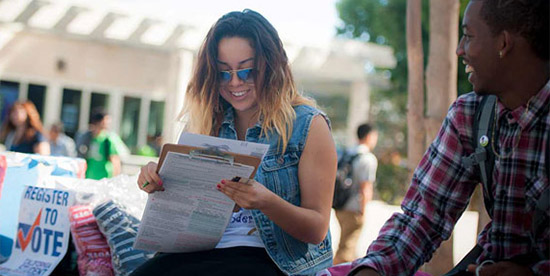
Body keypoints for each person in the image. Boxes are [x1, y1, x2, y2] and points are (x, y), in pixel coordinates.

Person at [133, 9, 337, 276]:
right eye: (223, 72)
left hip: (275, 262)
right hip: (201, 254)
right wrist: (160, 182)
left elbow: (317, 229)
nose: (235, 82)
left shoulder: (307, 125)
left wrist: (265, 202)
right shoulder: (207, 121)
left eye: (247, 70)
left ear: (271, 66)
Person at [352, 0, 549, 275]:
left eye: (468, 36)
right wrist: (373, 270)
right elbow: (422, 218)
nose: (459, 50)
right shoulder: (469, 116)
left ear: (503, 44)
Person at [334, 123, 378, 265]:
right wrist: (364, 211)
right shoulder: (368, 158)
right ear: (369, 136)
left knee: (348, 247)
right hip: (354, 209)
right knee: (346, 250)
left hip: (339, 205)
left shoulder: (347, 153)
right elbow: (366, 187)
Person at [77, 108, 123, 180]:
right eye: (106, 120)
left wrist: (115, 179)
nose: (108, 123)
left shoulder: (109, 139)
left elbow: (115, 160)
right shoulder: (88, 138)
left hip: (105, 177)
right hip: (89, 176)